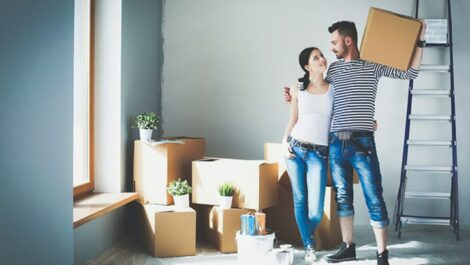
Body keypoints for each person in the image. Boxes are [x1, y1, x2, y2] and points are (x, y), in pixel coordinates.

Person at [284, 21, 426, 265]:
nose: (331, 48)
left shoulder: (373, 66)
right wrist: (293, 95)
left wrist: (420, 39)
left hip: (362, 142)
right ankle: (348, 247)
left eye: (334, 42)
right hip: (335, 143)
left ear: (347, 41)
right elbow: (314, 93)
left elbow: (410, 73)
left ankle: (382, 254)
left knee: (374, 196)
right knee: (343, 197)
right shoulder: (334, 71)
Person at [282, 47, 333, 262]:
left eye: (322, 55)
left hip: (319, 154)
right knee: (300, 199)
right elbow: (293, 119)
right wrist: (284, 141)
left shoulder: (334, 88)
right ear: (307, 66)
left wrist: (369, 123)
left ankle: (305, 235)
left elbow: (347, 111)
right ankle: (309, 245)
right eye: (316, 57)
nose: (322, 59)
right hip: (295, 147)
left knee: (316, 211)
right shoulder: (298, 89)